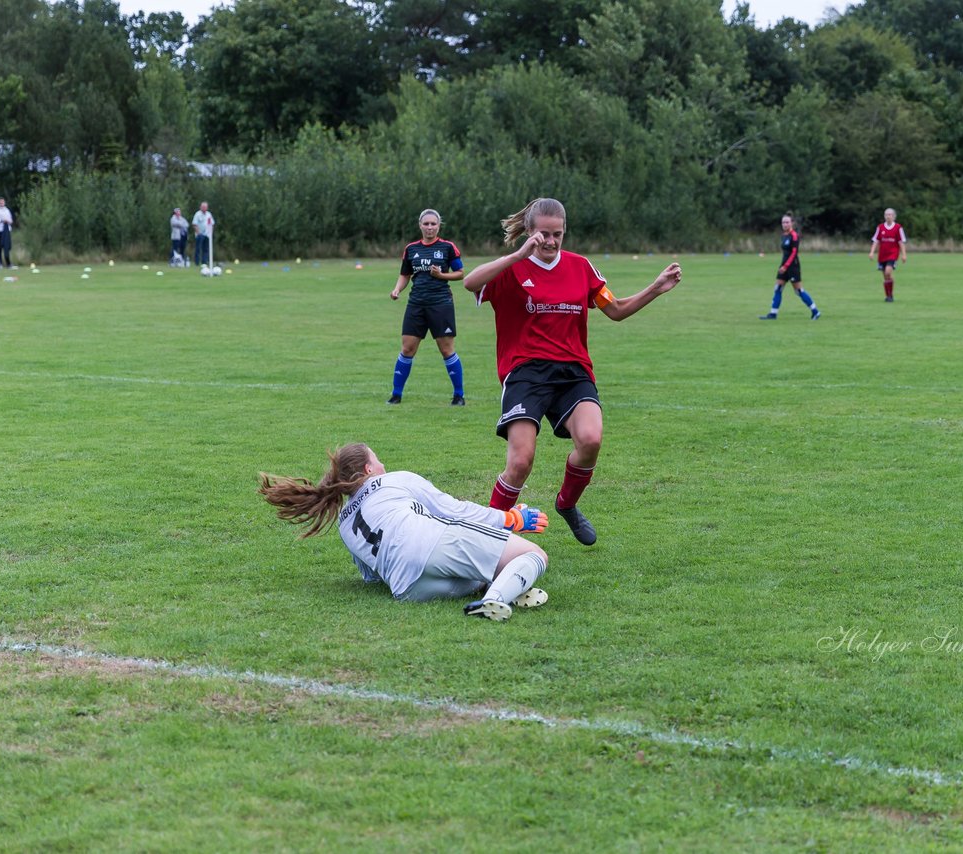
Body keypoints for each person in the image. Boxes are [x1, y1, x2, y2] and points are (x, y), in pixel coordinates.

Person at [463, 197, 682, 546]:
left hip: (573, 372)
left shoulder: (581, 267)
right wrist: (518, 256)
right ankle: (485, 535)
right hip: (525, 373)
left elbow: (616, 309)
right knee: (521, 461)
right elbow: (470, 282)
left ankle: (566, 504)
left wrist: (656, 288)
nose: (550, 242)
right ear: (530, 233)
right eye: (543, 235)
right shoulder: (511, 269)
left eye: (557, 235)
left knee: (592, 439)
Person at [259, 442, 550, 621]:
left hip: (408, 590)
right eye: (377, 459)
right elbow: (454, 510)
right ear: (368, 469)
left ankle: (500, 587)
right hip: (431, 545)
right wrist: (510, 519)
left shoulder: (345, 523)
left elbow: (370, 576)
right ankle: (496, 599)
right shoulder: (394, 480)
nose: (383, 463)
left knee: (481, 573)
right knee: (533, 554)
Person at [387, 209, 467, 406]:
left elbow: (460, 273)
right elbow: (405, 274)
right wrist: (397, 289)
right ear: (420, 225)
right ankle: (396, 395)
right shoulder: (411, 249)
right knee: (407, 348)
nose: (430, 227)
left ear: (438, 226)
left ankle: (459, 395)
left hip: (441, 304)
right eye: (426, 224)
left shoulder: (447, 247)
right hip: (416, 304)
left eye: (433, 224)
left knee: (446, 350)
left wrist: (442, 276)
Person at [759, 212, 820, 320]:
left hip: (792, 267)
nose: (785, 224)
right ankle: (773, 314)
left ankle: (815, 311)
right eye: (783, 222)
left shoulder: (794, 236)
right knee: (777, 288)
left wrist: (786, 266)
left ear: (792, 223)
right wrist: (783, 265)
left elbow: (794, 253)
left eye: (787, 222)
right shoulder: (784, 236)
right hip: (784, 266)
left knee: (799, 291)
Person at [868, 208, 907, 302]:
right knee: (885, 277)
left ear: (894, 216)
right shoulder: (880, 227)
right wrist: (872, 252)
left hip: (892, 255)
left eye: (890, 214)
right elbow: (876, 241)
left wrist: (904, 255)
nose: (888, 216)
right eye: (886, 214)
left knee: (888, 272)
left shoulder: (898, 227)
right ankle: (888, 296)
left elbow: (901, 242)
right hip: (882, 255)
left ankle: (890, 295)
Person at [192, 202, 214, 267]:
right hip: (200, 234)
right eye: (203, 207)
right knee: (198, 248)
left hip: (207, 234)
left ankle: (204, 262)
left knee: (206, 249)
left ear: (207, 208)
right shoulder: (197, 214)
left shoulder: (209, 214)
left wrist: (210, 233)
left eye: (205, 207)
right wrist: (199, 233)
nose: (204, 208)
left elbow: (212, 224)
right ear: (200, 207)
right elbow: (194, 224)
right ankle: (197, 262)